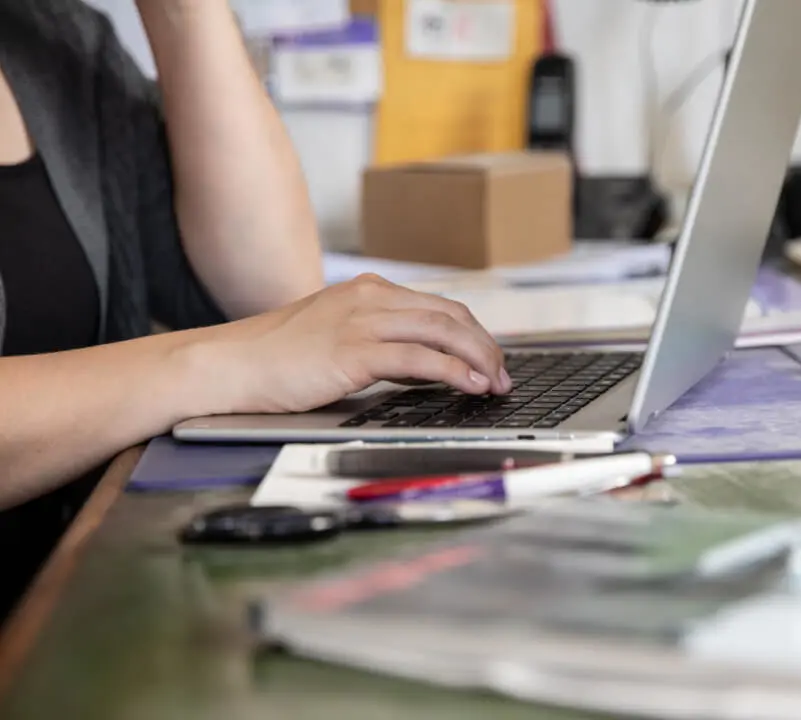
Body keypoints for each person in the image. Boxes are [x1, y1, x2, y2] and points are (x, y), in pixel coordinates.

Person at [0, 0, 511, 621]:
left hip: (82, 616)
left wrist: (188, 14)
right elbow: (269, 338)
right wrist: (221, 364)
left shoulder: (58, 39)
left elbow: (273, 291)